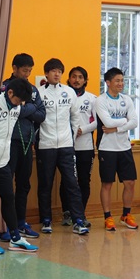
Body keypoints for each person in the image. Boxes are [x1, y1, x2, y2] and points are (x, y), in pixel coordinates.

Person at [35, 58, 89, 235]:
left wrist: (71, 139)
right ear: (46, 73)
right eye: (53, 71)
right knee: (45, 184)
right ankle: (46, 220)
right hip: (46, 145)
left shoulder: (69, 92)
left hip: (66, 146)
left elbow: (75, 117)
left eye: (59, 71)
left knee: (72, 183)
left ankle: (78, 220)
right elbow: (35, 119)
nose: (57, 74)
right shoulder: (38, 93)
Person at [0, 78, 34, 255]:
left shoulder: (16, 107)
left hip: (4, 161)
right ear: (10, 93)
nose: (20, 104)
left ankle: (15, 237)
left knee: (8, 198)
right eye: (19, 100)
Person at [0, 53, 45, 238]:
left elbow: (42, 114)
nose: (27, 74)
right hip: (9, 142)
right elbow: (10, 108)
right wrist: (29, 108)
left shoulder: (33, 89)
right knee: (6, 186)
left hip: (27, 141)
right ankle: (5, 226)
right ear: (15, 68)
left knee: (24, 184)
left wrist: (26, 108)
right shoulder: (5, 86)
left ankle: (20, 222)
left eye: (30, 71)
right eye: (24, 70)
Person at [96, 67, 138, 231]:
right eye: (117, 81)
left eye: (122, 80)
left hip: (124, 147)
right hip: (107, 148)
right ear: (108, 82)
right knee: (107, 183)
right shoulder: (101, 100)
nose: (121, 83)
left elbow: (135, 122)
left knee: (130, 182)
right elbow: (107, 122)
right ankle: (108, 217)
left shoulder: (127, 100)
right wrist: (125, 121)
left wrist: (117, 128)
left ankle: (126, 215)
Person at [66, 66, 97, 228]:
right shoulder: (64, 96)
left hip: (85, 147)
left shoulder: (92, 99)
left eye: (80, 77)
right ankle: (67, 213)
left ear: (85, 80)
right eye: (74, 76)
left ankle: (81, 214)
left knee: (84, 181)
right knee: (67, 181)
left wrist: (82, 130)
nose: (76, 80)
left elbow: (98, 122)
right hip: (66, 146)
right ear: (69, 79)